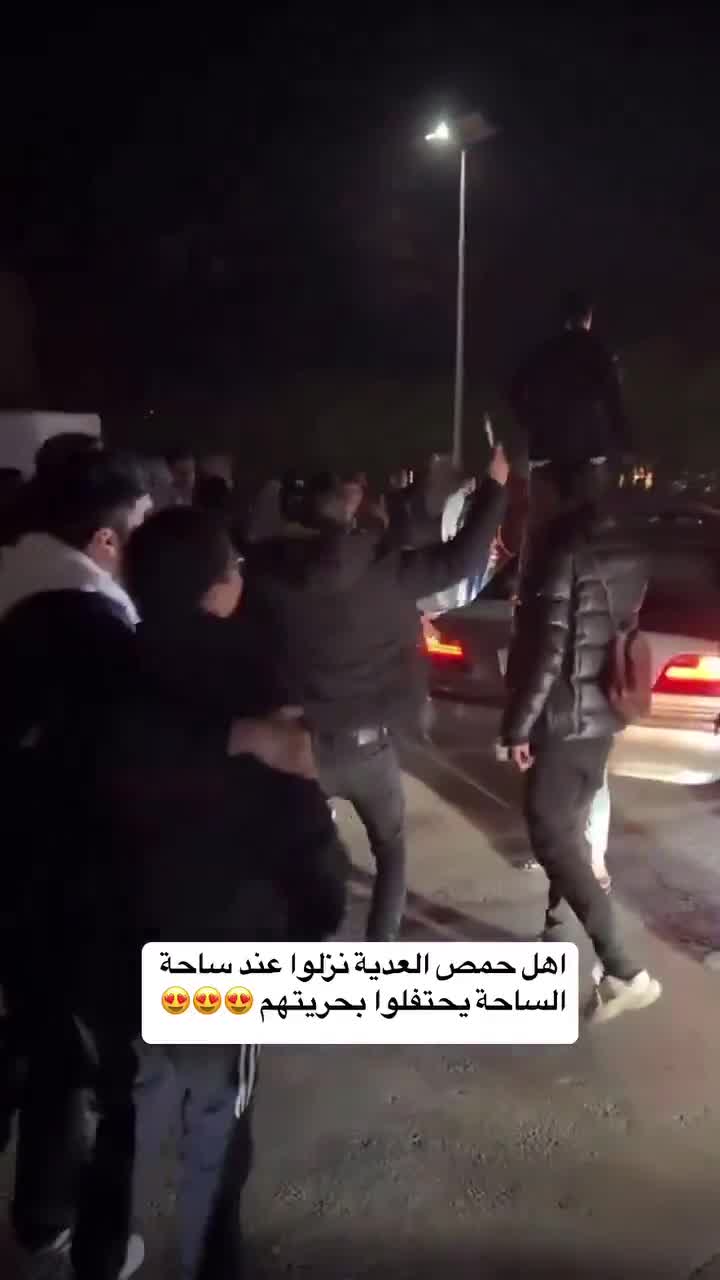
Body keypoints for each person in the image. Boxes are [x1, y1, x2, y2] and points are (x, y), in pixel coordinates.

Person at [57, 507, 348, 1279]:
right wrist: (322, 910)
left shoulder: (99, 661)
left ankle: (102, 1257)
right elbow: (297, 818)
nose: (243, 579)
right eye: (235, 568)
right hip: (215, 949)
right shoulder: (252, 676)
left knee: (127, 1111)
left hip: (112, 938)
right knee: (217, 1116)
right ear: (215, 584)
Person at [245, 444, 509, 940]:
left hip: (298, 748)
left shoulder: (265, 575)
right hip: (368, 749)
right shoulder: (388, 569)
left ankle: (306, 948)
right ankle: (379, 955)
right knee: (390, 852)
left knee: (299, 858)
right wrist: (494, 486)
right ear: (347, 510)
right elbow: (466, 557)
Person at [0, 451, 152, 1275]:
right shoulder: (86, 625)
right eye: (136, 531)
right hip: (51, 875)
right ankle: (51, 1217)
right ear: (103, 538)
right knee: (66, 1047)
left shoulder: (13, 583)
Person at [500, 460, 662, 1024]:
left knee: (552, 837)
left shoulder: (561, 550)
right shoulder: (632, 548)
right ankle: (564, 938)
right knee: (567, 834)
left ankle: (622, 968)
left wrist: (518, 725)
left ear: (558, 495)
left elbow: (549, 649)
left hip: (563, 719)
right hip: (601, 717)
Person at [510, 291, 630, 569]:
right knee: (590, 528)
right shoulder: (599, 353)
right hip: (588, 453)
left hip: (545, 452)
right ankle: (587, 592)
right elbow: (614, 402)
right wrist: (623, 444)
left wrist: (531, 422)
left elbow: (515, 391)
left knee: (540, 528)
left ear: (563, 320)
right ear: (588, 318)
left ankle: (531, 587)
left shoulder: (543, 352)